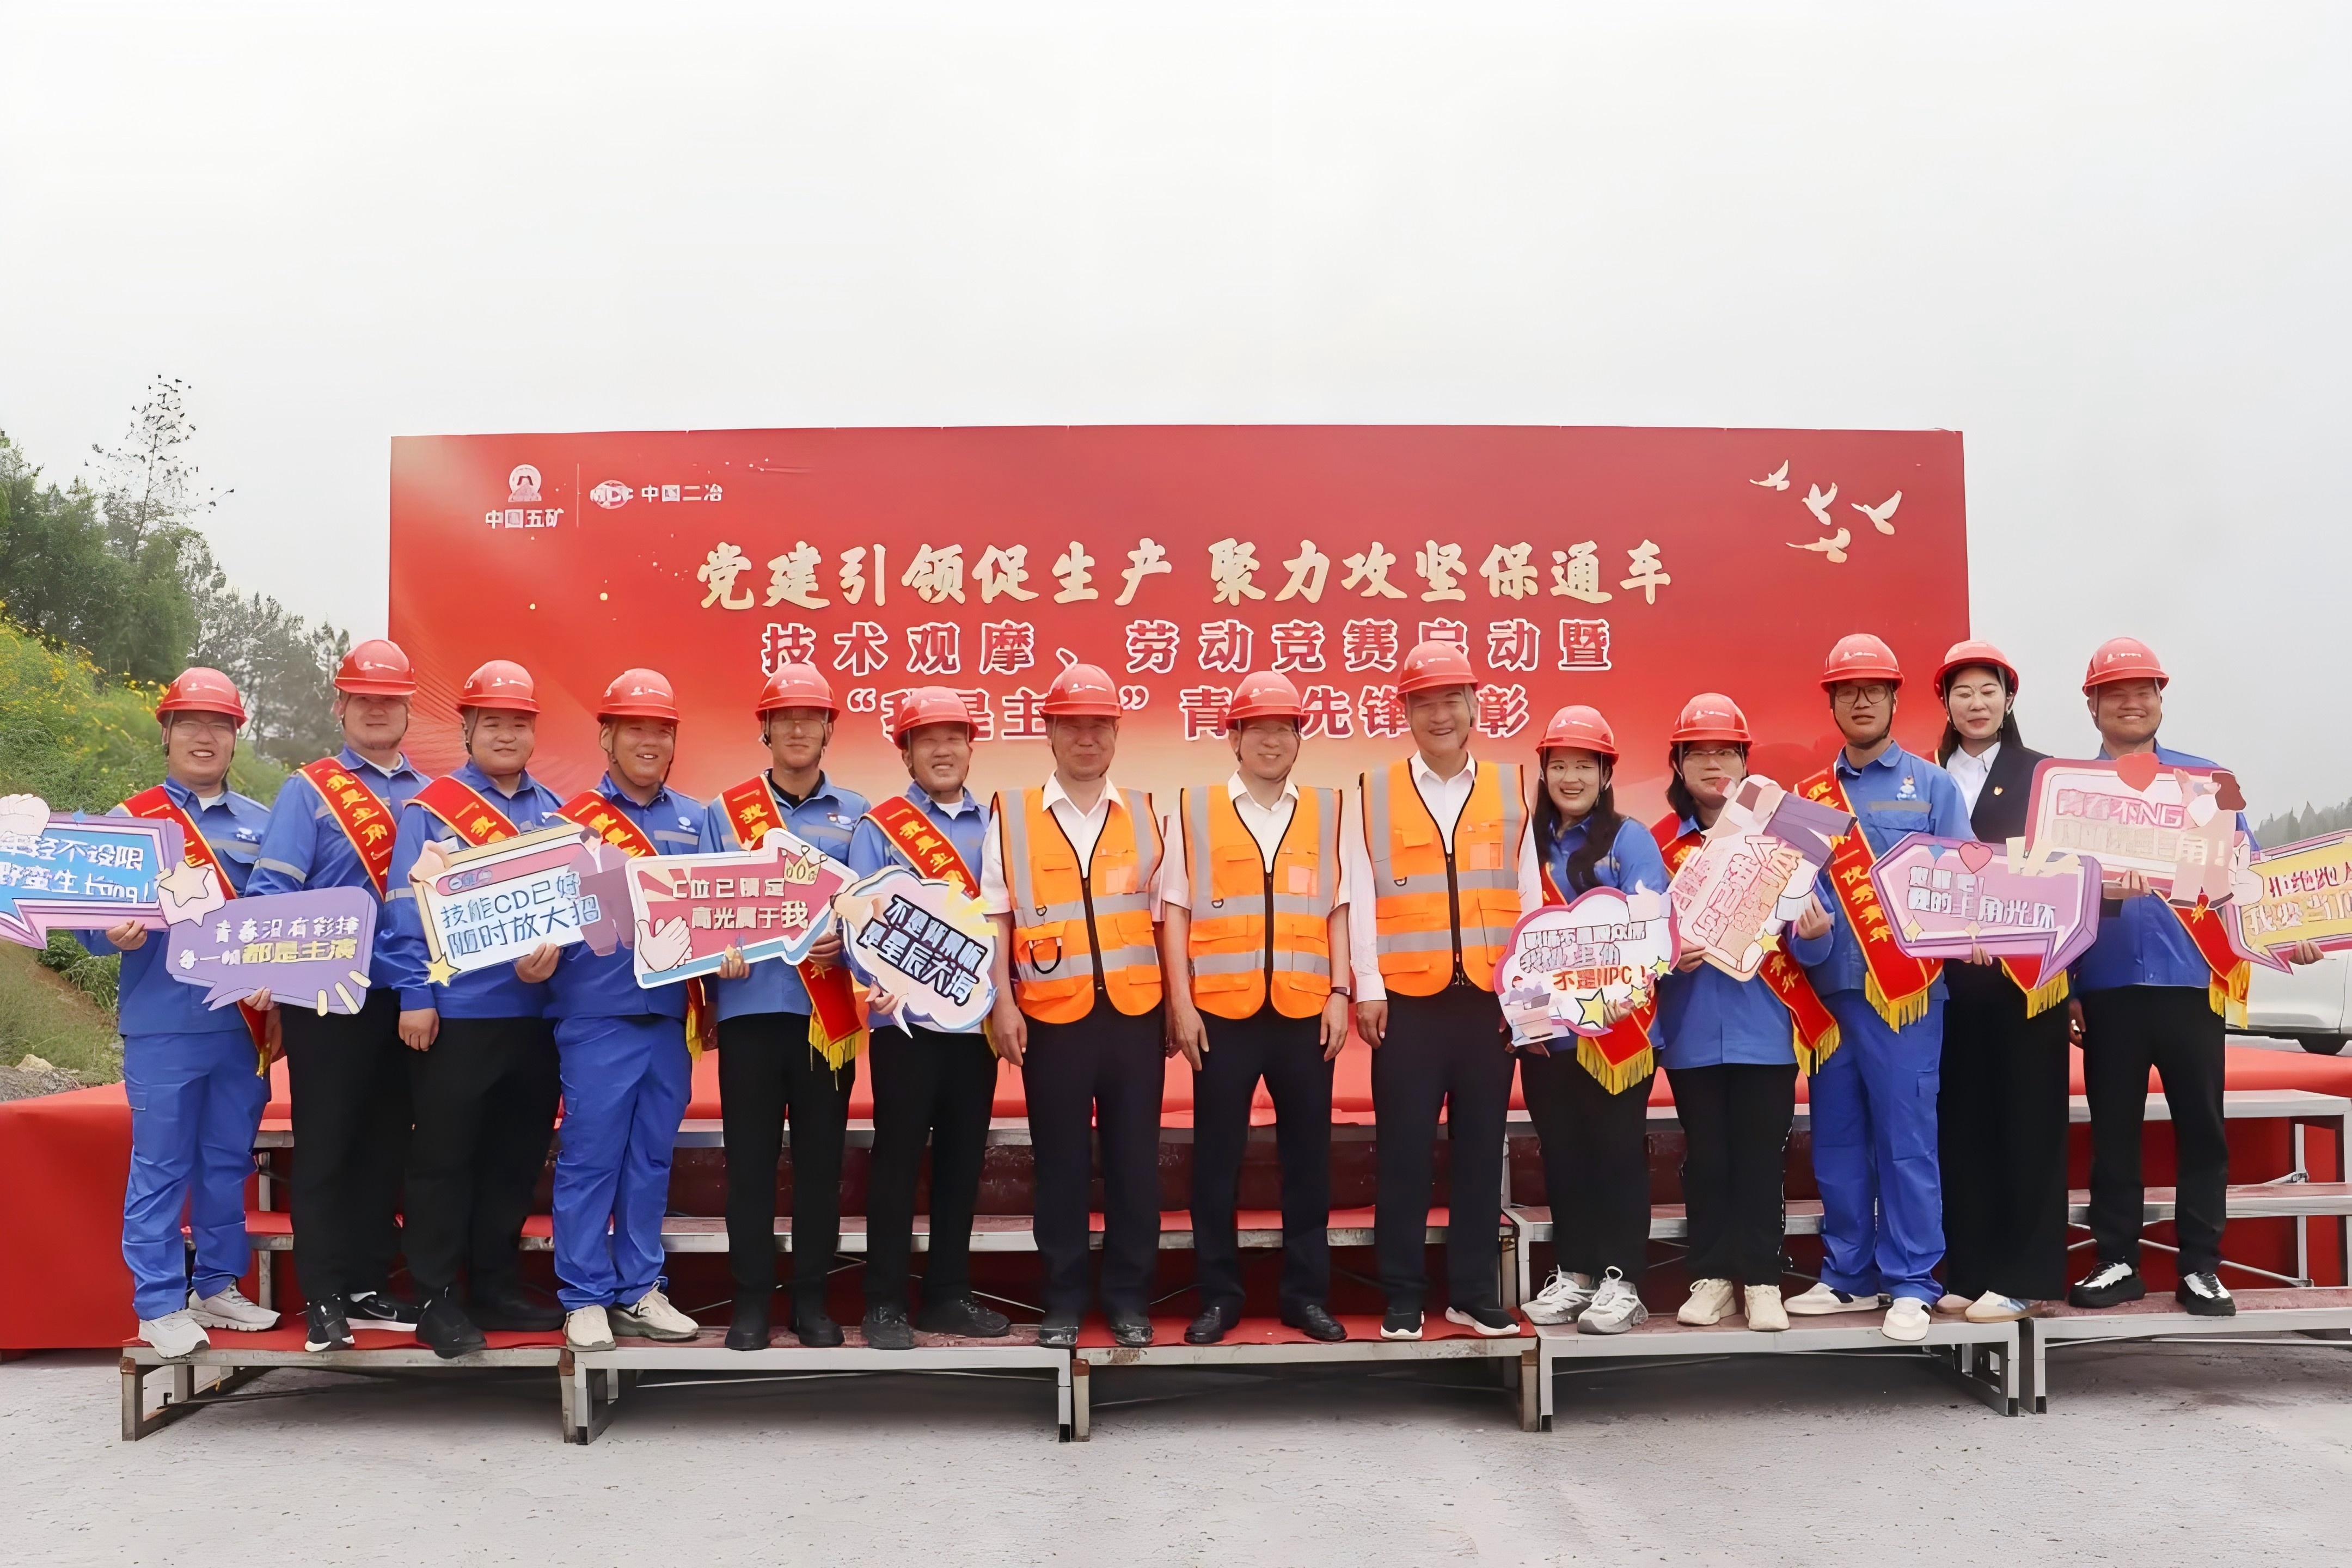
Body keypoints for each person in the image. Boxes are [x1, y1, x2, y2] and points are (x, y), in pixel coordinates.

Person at [2066, 636, 2321, 1318]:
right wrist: (2067, 988)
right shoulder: (2074, 792)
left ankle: (2202, 1268)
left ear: (2160, 700)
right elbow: (2055, 894)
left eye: (2143, 690)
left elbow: (2249, 875)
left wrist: (2290, 934)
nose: (2132, 703)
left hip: (2194, 983)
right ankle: (2117, 1260)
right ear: (2092, 706)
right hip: (2108, 989)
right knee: (2113, 1131)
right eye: (2116, 693)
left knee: (2202, 1130)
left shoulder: (2206, 783)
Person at [1345, 640, 1542, 1342]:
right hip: (1407, 1004)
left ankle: (1472, 1292)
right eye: (1423, 703)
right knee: (1404, 1152)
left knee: (1480, 1150)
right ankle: (1403, 1292)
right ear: (1404, 713)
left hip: (1488, 1004)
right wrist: (1368, 986)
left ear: (1474, 706)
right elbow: (1360, 895)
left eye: (1451, 700)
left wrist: (1525, 997)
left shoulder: (1511, 787)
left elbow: (1527, 896)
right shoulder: (1371, 792)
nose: (1439, 715)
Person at [90, 669, 281, 1358]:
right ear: (166, 734)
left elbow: (282, 922)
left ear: (235, 738)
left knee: (227, 1162)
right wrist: (110, 933)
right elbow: (88, 924)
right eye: (191, 724)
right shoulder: (128, 823)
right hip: (164, 1026)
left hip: (240, 1027)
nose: (206, 737)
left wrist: (279, 981)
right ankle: (159, 1303)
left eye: (219, 726)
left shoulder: (265, 825)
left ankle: (218, 1284)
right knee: (161, 1165)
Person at [382, 658, 569, 1358]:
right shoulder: (430, 810)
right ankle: (436, 1298)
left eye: (519, 722)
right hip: (456, 1016)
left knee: (514, 1160)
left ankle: (495, 1284)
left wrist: (557, 956)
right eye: (493, 722)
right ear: (467, 730)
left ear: (534, 733)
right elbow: (403, 913)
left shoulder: (558, 815)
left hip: (536, 1020)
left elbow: (575, 910)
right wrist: (415, 997)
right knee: (442, 1160)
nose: (506, 734)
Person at [1787, 634, 1972, 1343]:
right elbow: (1790, 911)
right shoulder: (1806, 801)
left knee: (1906, 1141)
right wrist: (1808, 935)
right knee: (1836, 1141)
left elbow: (1964, 891)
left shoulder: (1933, 787)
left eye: (1873, 689)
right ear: (1831, 703)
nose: (1860, 700)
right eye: (1847, 690)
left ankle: (1913, 1281)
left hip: (1907, 1000)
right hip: (1831, 999)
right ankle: (1848, 1274)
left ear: (1895, 699)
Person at [247, 639, 429, 1352]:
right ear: (341, 707)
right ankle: (322, 1295)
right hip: (326, 1000)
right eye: (363, 700)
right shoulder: (310, 790)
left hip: (405, 998)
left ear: (408, 711)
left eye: (390, 701)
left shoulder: (434, 796)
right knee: (326, 1147)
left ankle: (365, 1283)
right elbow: (272, 890)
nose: (377, 711)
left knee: (386, 1148)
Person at [1160, 670, 1351, 1346]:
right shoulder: (1194, 808)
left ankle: (1306, 1297)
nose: (1273, 741)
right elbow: (1174, 910)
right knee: (1217, 1162)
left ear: (1300, 738)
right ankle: (1219, 1297)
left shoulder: (1328, 810)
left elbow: (1339, 906)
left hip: (1305, 1011)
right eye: (1259, 729)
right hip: (1221, 1014)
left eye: (1285, 729)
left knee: (1309, 1161)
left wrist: (1340, 992)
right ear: (1234, 737)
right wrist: (1181, 1004)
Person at [984, 662, 1167, 1351]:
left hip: (1134, 1018)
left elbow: (1165, 920)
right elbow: (996, 917)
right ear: (1050, 733)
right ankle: (1062, 1301)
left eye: (1099, 725)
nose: (1087, 738)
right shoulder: (1013, 815)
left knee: (1133, 1165)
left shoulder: (1146, 813)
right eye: (1072, 725)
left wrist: (1175, 1007)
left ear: (1116, 733)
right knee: (1058, 1166)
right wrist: (1003, 1003)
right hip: (1050, 1018)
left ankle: (1127, 1298)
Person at [1649, 694, 1835, 1336]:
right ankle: (1709, 1280)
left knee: (1760, 1159)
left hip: (1766, 1030)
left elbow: (1817, 947)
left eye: (1726, 751)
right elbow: (1639, 949)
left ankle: (1761, 1280)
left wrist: (1815, 934)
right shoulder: (1658, 846)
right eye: (1698, 752)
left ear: (1745, 762)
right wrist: (1669, 956)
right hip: (1693, 1032)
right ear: (1678, 764)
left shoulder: (1789, 840)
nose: (1713, 763)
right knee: (1706, 1159)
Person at [701, 662, 871, 1351]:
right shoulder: (724, 812)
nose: (798, 729)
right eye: (785, 718)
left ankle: (811, 1303)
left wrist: (848, 941)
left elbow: (872, 914)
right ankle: (750, 1304)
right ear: (765, 730)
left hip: (824, 1020)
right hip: (748, 1014)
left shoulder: (858, 814)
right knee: (749, 1165)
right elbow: (702, 909)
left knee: (821, 1167)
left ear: (829, 729)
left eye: (812, 718)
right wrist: (717, 951)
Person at [844, 685, 1014, 1349]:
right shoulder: (880, 828)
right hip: (906, 1028)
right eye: (927, 740)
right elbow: (857, 921)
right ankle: (884, 1302)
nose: (942, 751)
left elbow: (1006, 922)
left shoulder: (998, 826)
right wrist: (877, 978)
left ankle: (947, 1294)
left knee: (962, 1163)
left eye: (953, 738)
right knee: (897, 1161)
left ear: (971, 748)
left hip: (975, 1030)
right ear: (906, 754)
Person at [541, 670, 704, 1351]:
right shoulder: (566, 823)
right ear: (606, 736)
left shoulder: (699, 821)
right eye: (634, 727)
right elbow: (541, 923)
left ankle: (639, 1289)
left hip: (668, 1018)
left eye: (661, 730)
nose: (648, 741)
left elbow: (719, 913)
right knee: (590, 1157)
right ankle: (583, 1296)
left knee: (651, 1159)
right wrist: (534, 956)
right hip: (595, 1013)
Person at [1514, 705, 1671, 1337]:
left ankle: (1621, 1282)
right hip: (1547, 1034)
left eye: (1585, 765)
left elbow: (1651, 931)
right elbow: (1513, 941)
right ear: (1544, 772)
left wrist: (1611, 998)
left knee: (1616, 1154)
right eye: (1560, 765)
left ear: (1606, 774)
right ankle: (1575, 1275)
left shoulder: (1630, 840)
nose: (1571, 777)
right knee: (1563, 1156)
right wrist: (1528, 1022)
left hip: (1617, 1032)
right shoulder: (1525, 844)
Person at [1927, 641, 2070, 1325]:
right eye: (1963, 692)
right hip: (1950, 983)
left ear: (2009, 699)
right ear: (1945, 702)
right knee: (1961, 1125)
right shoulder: (1928, 778)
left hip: (2028, 980)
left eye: (1988, 691)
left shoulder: (2044, 777)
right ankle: (1971, 1268)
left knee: (2028, 1123)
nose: (1976, 704)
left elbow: (2073, 875)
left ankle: (2025, 1274)